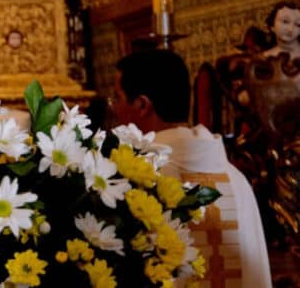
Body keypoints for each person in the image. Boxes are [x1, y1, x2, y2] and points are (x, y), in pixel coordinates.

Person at [109, 49, 272, 287]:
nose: (113, 108)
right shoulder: (235, 180)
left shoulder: (135, 178)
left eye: (117, 98)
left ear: (143, 105)